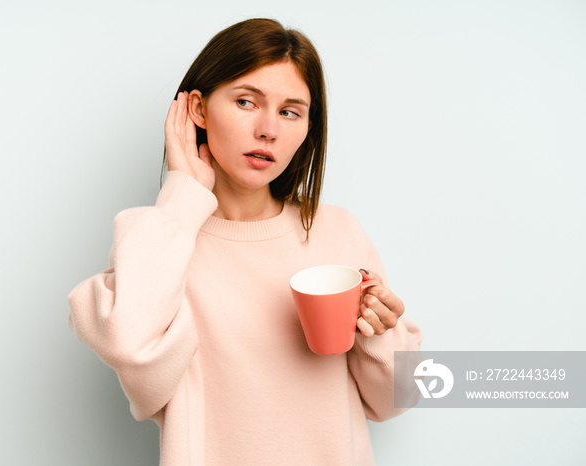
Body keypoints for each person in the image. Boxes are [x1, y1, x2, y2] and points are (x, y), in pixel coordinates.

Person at [68, 18, 422, 465]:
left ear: (308, 127)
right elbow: (130, 349)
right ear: (198, 109)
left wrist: (378, 334)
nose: (268, 130)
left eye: (290, 112)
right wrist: (182, 195)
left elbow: (396, 400)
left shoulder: (338, 232)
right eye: (246, 102)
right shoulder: (161, 239)